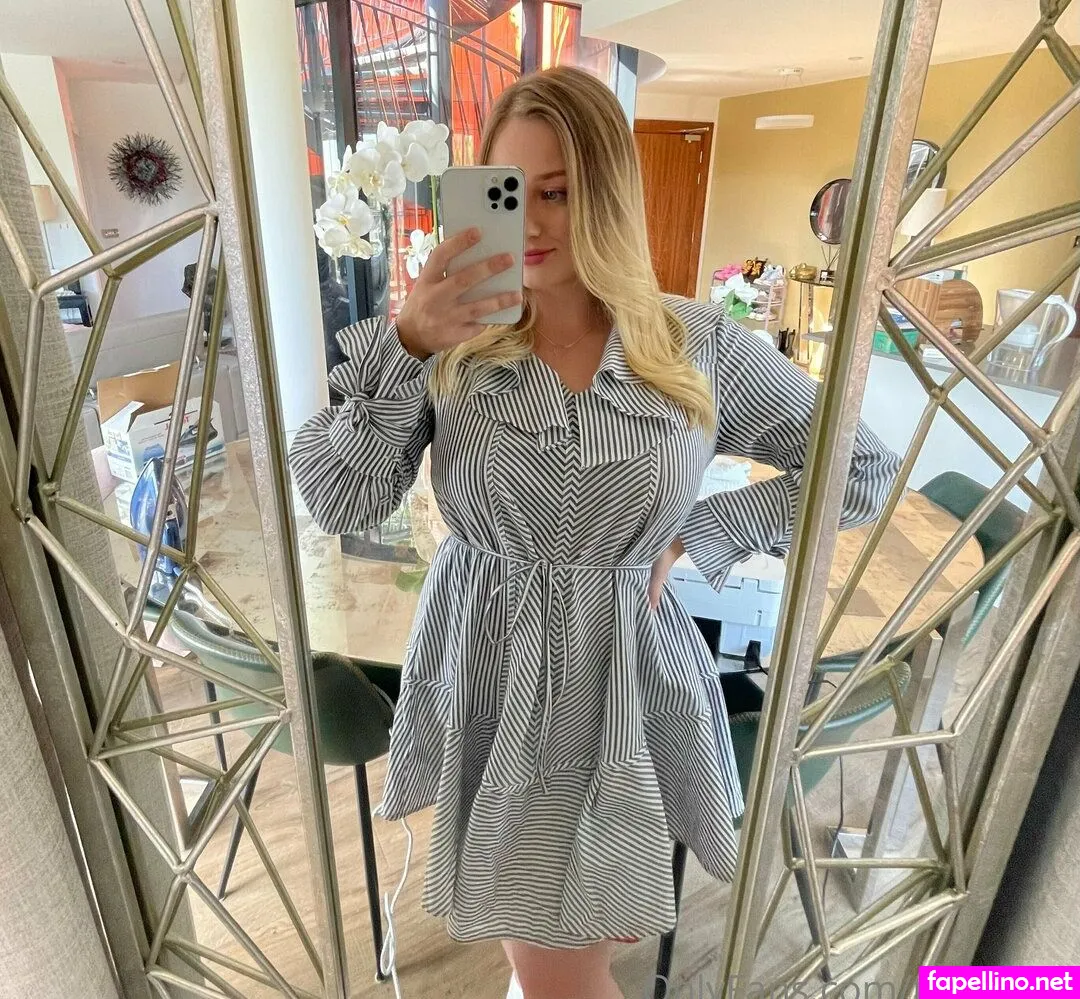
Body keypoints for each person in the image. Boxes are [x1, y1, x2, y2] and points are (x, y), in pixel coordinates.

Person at [289, 66, 900, 999]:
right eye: (508, 192)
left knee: (578, 954)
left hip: (626, 685)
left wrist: (703, 529)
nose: (531, 223)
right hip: (494, 680)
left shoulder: (694, 345)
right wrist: (408, 341)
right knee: (559, 962)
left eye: (560, 192)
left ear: (608, 194)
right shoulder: (447, 344)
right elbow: (339, 497)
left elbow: (862, 468)